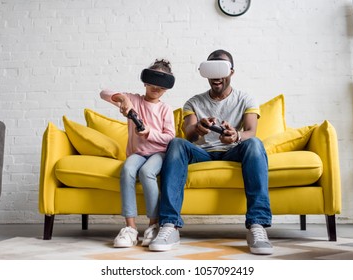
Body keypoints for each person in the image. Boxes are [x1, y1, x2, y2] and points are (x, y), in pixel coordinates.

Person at [148, 50, 273, 255]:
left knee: (255, 144)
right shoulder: (193, 102)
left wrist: (236, 136)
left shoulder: (245, 99)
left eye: (221, 68)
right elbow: (189, 136)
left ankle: (257, 226)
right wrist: (198, 129)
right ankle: (169, 225)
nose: (216, 75)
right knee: (177, 143)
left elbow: (251, 131)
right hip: (202, 153)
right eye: (211, 68)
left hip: (233, 150)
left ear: (231, 72)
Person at [100, 59, 176, 248]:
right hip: (138, 153)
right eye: (152, 81)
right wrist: (123, 99)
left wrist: (150, 132)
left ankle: (153, 226)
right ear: (145, 81)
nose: (156, 87)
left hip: (159, 154)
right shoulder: (134, 100)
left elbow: (170, 139)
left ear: (167, 87)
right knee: (127, 170)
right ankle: (130, 229)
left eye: (161, 84)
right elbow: (103, 93)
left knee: (146, 172)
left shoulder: (165, 109)